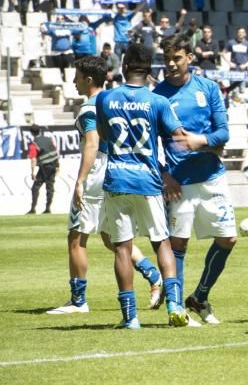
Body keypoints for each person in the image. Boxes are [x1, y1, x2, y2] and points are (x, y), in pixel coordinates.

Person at [46, 56, 164, 315]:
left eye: (76, 77)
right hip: (118, 169)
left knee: (76, 237)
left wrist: (80, 180)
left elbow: (91, 142)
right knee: (113, 238)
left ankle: (78, 301)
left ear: (89, 79)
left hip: (97, 172)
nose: (73, 82)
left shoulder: (91, 107)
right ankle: (155, 276)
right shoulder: (115, 101)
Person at [95, 43, 193, 328]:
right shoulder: (158, 102)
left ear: (123, 67)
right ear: (150, 72)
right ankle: (174, 305)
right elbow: (179, 135)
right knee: (161, 241)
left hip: (117, 179)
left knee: (123, 248)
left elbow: (103, 133)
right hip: (148, 181)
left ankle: (130, 318)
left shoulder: (105, 98)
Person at [154, 34, 237, 325]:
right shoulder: (158, 95)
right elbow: (150, 145)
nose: (172, 64)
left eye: (177, 58)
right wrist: (165, 175)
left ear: (190, 57)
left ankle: (199, 297)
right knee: (178, 245)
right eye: (167, 59)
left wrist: (199, 141)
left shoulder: (208, 88)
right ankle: (176, 310)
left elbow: (223, 133)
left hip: (212, 177)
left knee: (228, 238)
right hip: (178, 183)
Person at [27, 125, 59, 215]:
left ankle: (33, 208)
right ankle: (48, 208)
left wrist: (32, 172)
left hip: (44, 167)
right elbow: (56, 152)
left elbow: (33, 159)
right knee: (50, 187)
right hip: (53, 166)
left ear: (32, 133)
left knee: (35, 187)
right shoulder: (49, 139)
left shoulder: (34, 143)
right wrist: (58, 166)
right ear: (40, 131)